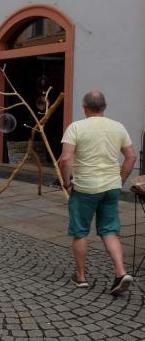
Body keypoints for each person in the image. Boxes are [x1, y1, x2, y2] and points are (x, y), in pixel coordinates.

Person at [59, 91, 136, 295]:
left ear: (85, 107)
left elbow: (65, 159)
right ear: (104, 106)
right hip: (111, 187)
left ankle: (81, 277)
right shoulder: (118, 127)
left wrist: (67, 183)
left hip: (84, 188)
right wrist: (120, 180)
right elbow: (131, 157)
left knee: (80, 231)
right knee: (109, 231)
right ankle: (120, 273)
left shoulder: (76, 127)